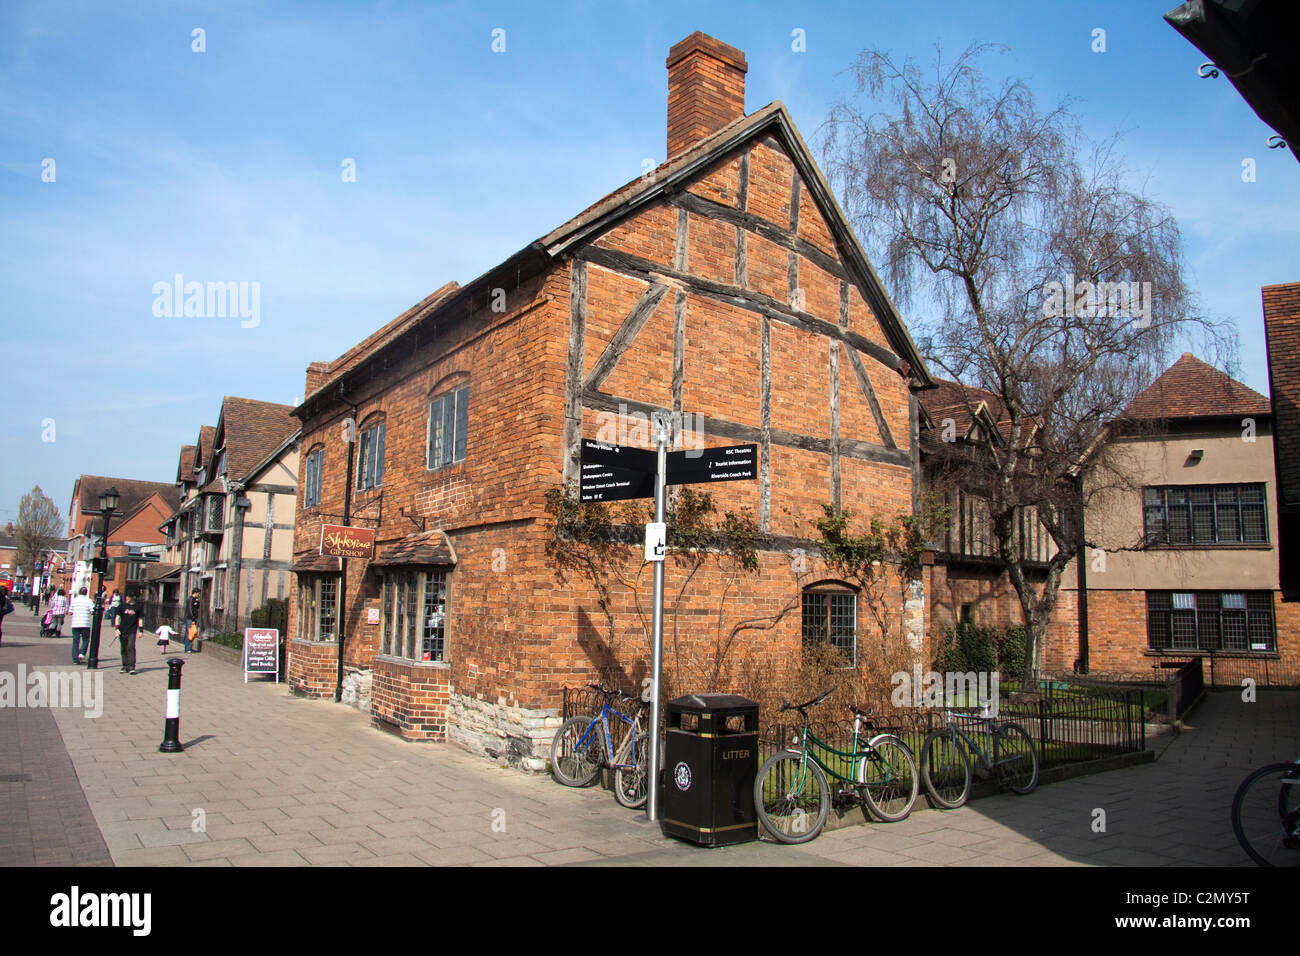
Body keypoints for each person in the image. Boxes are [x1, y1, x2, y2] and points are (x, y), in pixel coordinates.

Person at [114, 593, 142, 674]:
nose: (127, 598)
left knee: (130, 647)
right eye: (126, 596)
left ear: (133, 597)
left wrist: (141, 630)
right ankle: (125, 665)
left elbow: (140, 618)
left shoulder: (138, 607)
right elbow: (118, 617)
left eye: (129, 596)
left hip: (132, 630)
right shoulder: (122, 606)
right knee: (123, 648)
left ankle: (131, 666)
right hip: (122, 629)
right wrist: (117, 629)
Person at [69, 586, 94, 664]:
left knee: (75, 641)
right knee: (86, 639)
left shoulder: (74, 600)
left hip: (75, 623)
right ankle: (81, 653)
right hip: (85, 623)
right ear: (86, 593)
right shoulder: (89, 600)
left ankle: (75, 659)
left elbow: (70, 612)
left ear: (79, 592)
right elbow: (92, 611)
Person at [184, 588, 201, 653]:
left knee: (190, 633)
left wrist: (197, 602)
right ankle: (188, 649)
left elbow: (197, 607)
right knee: (191, 633)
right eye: (198, 593)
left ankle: (188, 648)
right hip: (190, 619)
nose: (199, 595)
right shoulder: (191, 599)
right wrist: (193, 618)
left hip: (192, 618)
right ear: (195, 593)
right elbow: (190, 609)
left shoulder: (195, 600)